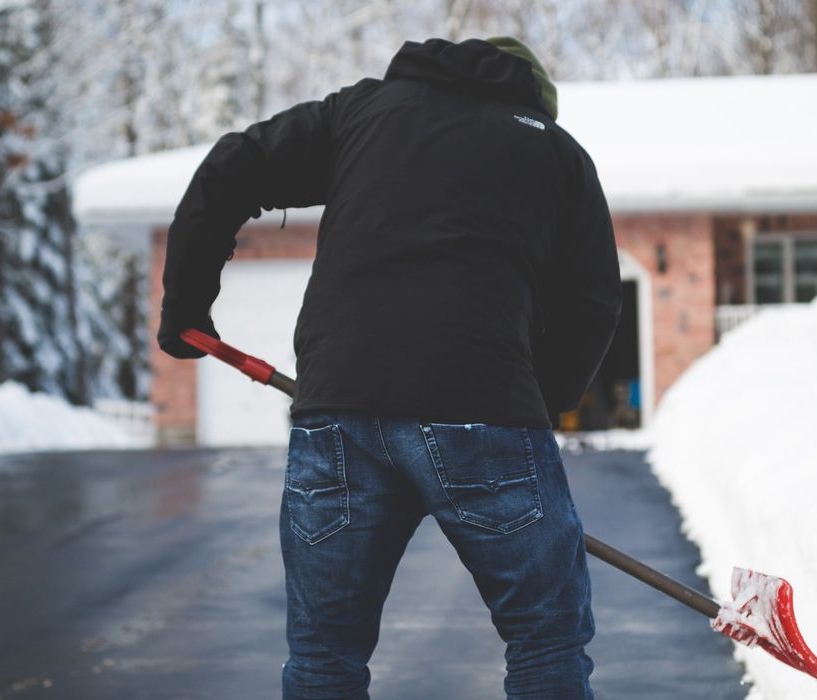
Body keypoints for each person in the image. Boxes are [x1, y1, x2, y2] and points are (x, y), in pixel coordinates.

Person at [158, 36, 622, 700]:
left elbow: (233, 165)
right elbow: (592, 302)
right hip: (481, 407)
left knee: (324, 651)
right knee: (545, 637)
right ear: (535, 98)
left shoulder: (363, 115)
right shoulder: (554, 151)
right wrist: (533, 410)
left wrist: (185, 305)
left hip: (338, 409)